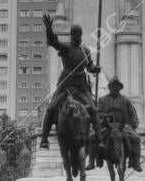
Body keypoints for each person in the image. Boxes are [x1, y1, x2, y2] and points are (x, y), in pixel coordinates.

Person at [39, 13, 103, 150]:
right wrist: (49, 29)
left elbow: (89, 66)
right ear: (71, 35)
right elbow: (52, 42)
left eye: (79, 34)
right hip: (66, 85)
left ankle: (99, 137)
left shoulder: (85, 50)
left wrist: (94, 69)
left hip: (81, 86)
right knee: (51, 108)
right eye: (75, 34)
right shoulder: (66, 47)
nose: (78, 36)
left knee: (93, 109)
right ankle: (44, 139)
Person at [86, 76, 143, 172]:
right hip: (107, 125)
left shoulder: (126, 100)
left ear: (120, 88)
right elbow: (97, 113)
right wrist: (104, 116)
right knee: (92, 136)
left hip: (123, 126)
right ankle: (91, 162)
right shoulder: (103, 100)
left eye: (117, 87)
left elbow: (132, 112)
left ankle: (135, 162)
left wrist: (134, 121)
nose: (115, 88)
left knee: (136, 138)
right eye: (113, 86)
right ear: (109, 88)